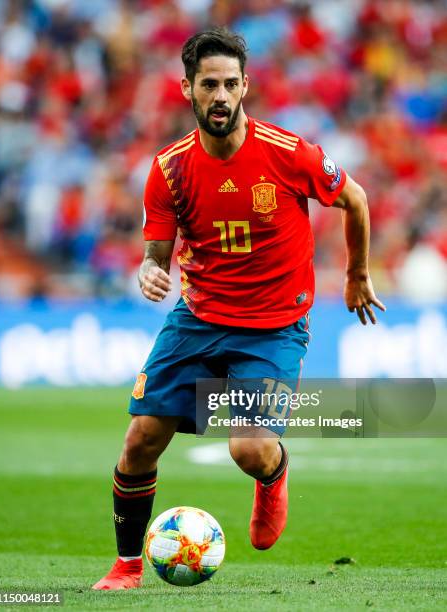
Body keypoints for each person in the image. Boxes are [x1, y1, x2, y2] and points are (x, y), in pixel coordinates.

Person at [92, 27, 385, 590]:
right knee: (140, 439)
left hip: (273, 326)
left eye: (231, 84)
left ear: (246, 85)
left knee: (248, 448)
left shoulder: (288, 153)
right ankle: (127, 566)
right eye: (209, 85)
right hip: (198, 317)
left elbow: (356, 198)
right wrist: (149, 270)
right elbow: (157, 254)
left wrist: (355, 274)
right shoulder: (169, 168)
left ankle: (272, 474)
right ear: (188, 90)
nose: (221, 95)